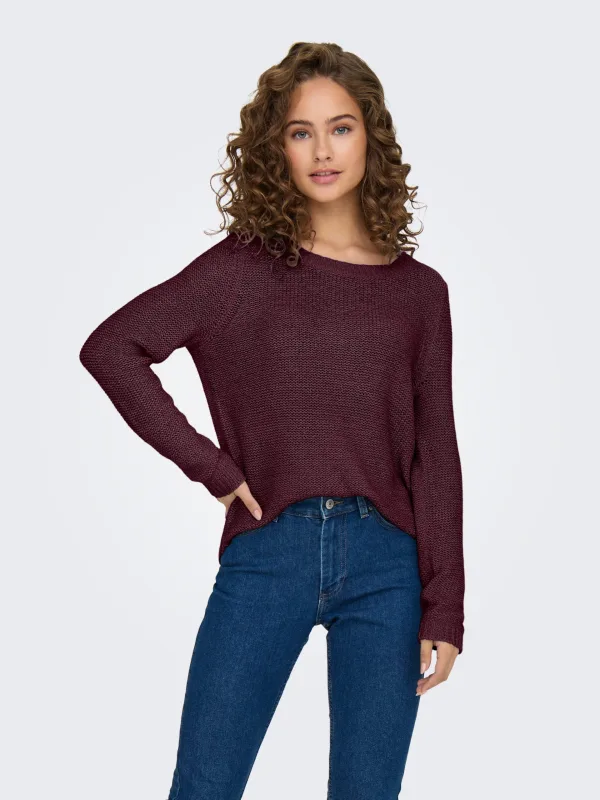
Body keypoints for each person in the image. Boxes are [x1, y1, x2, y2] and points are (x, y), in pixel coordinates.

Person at [79, 41, 465, 800]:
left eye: (341, 128)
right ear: (276, 148)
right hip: (270, 550)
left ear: (371, 138)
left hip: (388, 567)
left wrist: (444, 602)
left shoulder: (420, 292)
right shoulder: (240, 268)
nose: (322, 151)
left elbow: (437, 451)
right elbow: (112, 349)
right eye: (300, 132)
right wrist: (213, 469)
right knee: (204, 787)